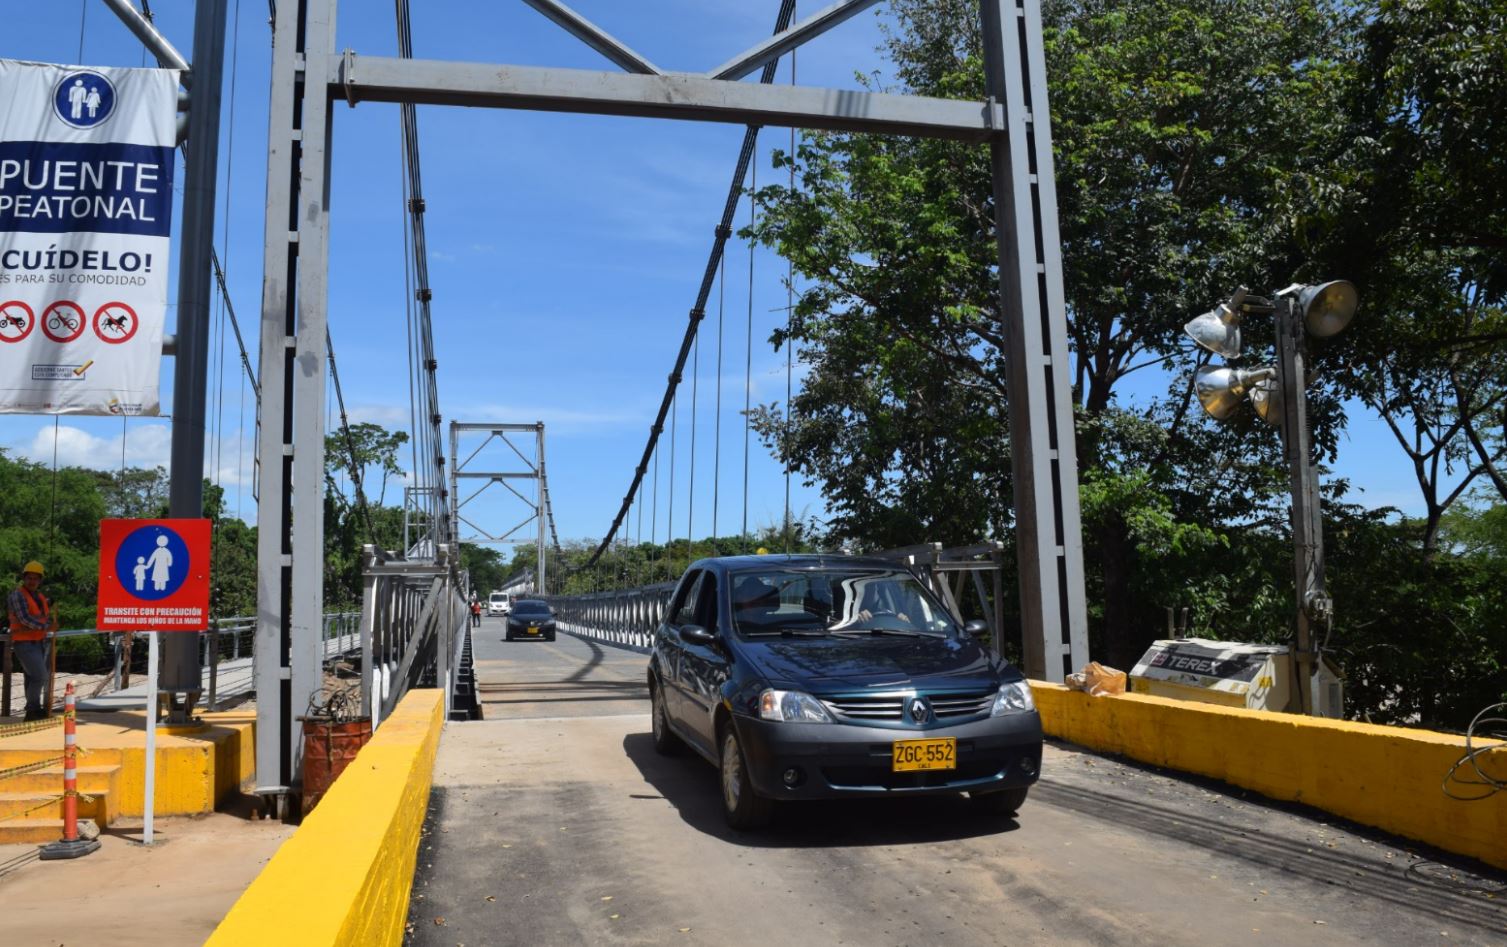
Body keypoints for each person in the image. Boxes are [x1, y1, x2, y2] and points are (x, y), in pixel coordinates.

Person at [7, 561, 58, 721]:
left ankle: (32, 712)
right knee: (40, 676)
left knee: (31, 678)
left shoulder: (39, 596)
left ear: (40, 580)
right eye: (29, 578)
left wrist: (48, 625)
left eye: (35, 579)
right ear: (24, 578)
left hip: (38, 642)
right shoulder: (18, 595)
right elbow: (25, 618)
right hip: (24, 643)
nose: (32, 581)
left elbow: (42, 616)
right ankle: (33, 710)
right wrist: (48, 627)